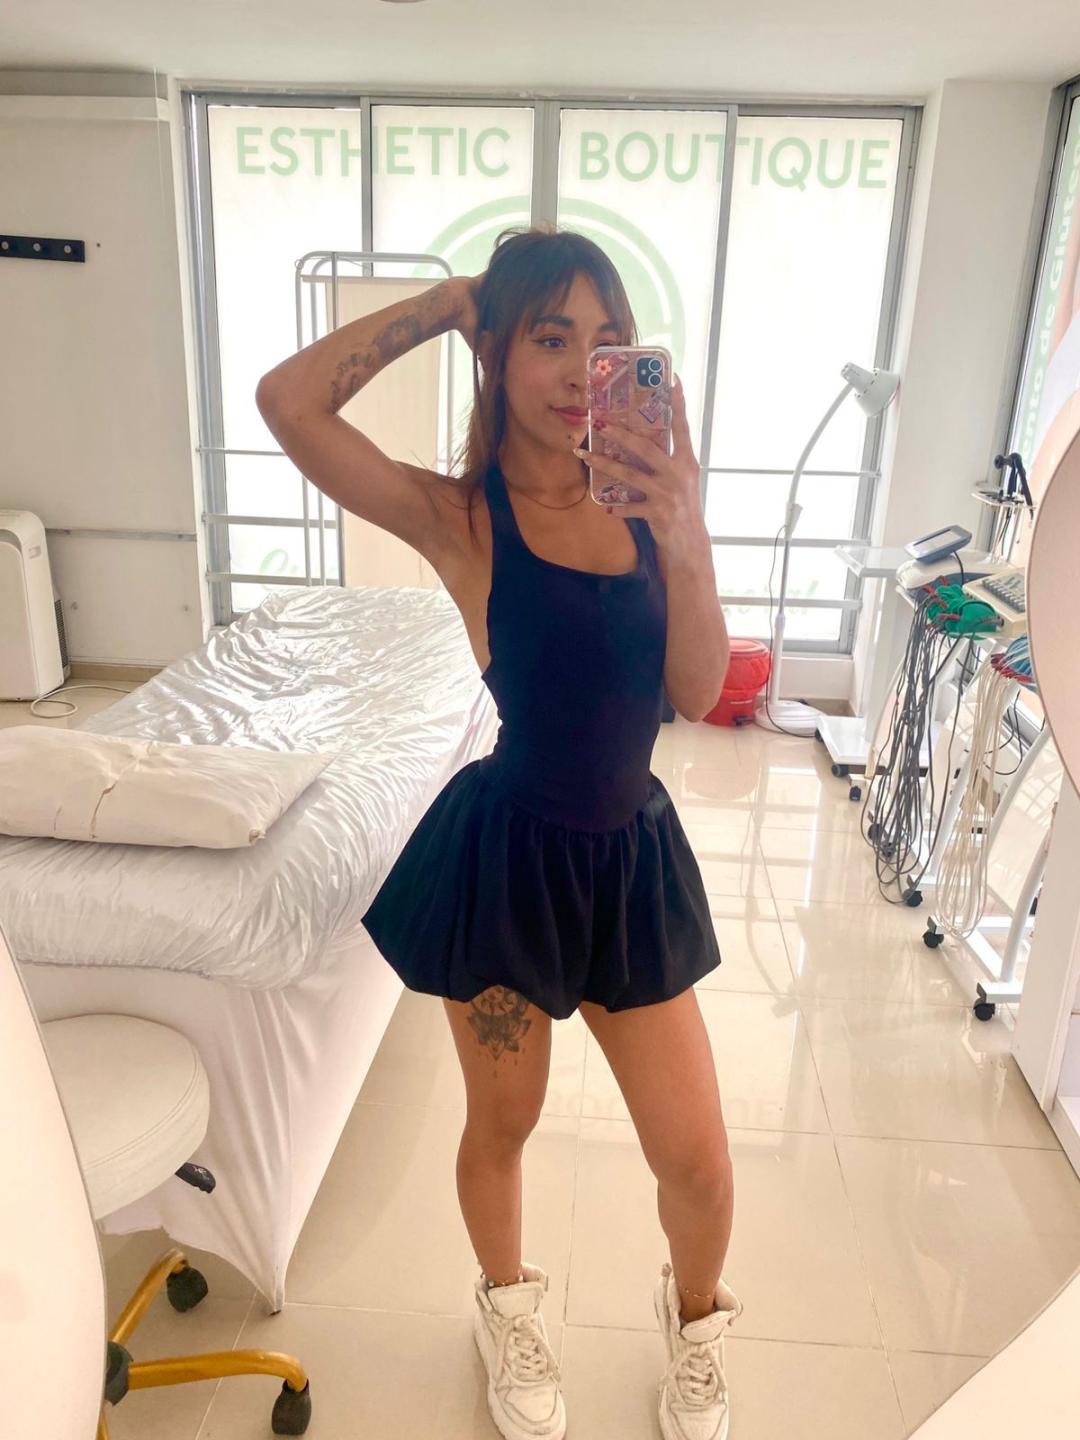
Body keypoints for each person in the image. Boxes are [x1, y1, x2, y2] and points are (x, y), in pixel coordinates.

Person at [256, 225, 741, 1440]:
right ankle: (507, 1307)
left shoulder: (649, 500)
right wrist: (447, 301)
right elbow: (288, 404)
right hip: (513, 860)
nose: (582, 369)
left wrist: (686, 528)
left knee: (697, 1158)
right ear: (499, 353)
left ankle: (695, 1323)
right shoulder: (464, 520)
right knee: (505, 1123)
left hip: (628, 863)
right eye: (550, 336)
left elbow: (696, 691)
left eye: (606, 341)